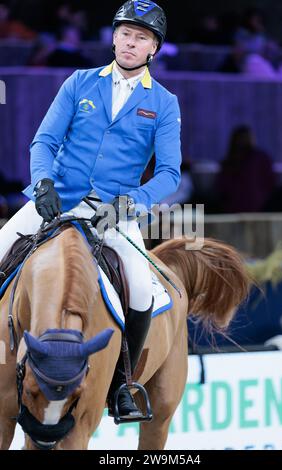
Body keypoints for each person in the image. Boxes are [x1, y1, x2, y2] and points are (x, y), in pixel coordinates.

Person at [0, 0, 181, 421]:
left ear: (153, 48)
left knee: (140, 292)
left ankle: (121, 384)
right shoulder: (79, 82)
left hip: (113, 212)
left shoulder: (165, 103)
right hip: (56, 200)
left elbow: (170, 173)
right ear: (114, 37)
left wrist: (131, 204)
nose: (130, 43)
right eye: (125, 33)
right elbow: (43, 141)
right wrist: (43, 181)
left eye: (141, 37)